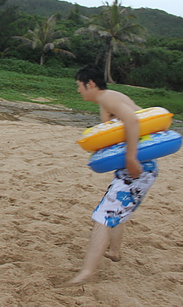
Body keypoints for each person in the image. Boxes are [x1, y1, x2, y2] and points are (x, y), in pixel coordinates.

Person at [59, 65, 159, 287]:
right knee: (114, 209)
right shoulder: (110, 97)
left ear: (90, 83)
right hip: (137, 168)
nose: (78, 91)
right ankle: (114, 251)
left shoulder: (107, 98)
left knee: (102, 217)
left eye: (79, 86)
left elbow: (132, 120)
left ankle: (87, 272)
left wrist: (132, 158)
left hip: (137, 168)